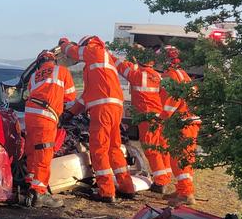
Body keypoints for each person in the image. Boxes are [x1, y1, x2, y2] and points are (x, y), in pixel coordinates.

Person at [59, 36, 136, 203]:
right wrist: (71, 112)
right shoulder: (97, 66)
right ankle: (126, 187)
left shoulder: (94, 50)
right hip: (114, 107)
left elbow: (74, 51)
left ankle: (106, 191)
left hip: (102, 108)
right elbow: (87, 95)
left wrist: (64, 44)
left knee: (98, 148)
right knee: (114, 147)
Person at [115, 45, 171, 193]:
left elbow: (120, 66)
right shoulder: (157, 76)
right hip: (159, 116)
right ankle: (165, 177)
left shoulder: (136, 75)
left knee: (151, 149)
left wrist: (125, 56)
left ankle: (160, 182)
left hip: (146, 117)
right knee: (161, 147)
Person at [23, 50, 76, 207]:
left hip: (30, 116)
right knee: (44, 153)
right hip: (46, 116)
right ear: (54, 60)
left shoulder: (34, 76)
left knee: (33, 151)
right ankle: (39, 193)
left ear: (39, 63)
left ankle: (30, 185)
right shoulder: (61, 71)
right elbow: (70, 96)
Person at [156, 45, 201, 206]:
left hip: (181, 122)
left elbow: (170, 102)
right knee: (186, 158)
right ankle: (183, 189)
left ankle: (186, 194)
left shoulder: (170, 75)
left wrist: (161, 119)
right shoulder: (183, 74)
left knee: (179, 159)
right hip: (189, 121)